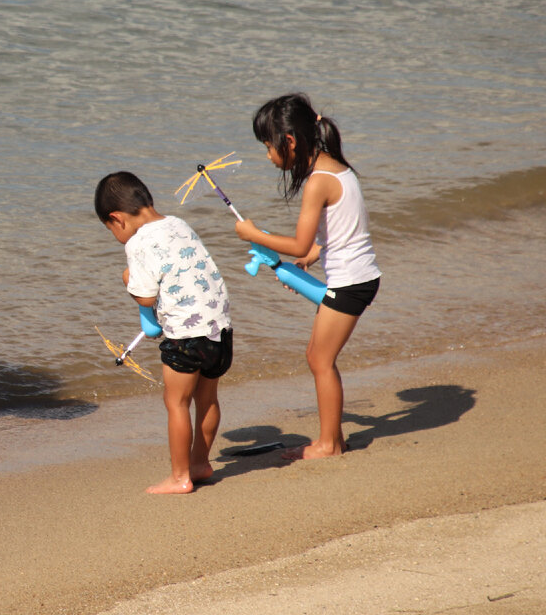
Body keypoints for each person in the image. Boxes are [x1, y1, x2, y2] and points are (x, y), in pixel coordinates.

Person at [234, 93, 381, 460]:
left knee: (320, 360)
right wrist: (314, 258)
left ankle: (329, 445)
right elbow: (338, 235)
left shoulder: (318, 181)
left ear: (290, 141)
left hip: (352, 281)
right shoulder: (338, 169)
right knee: (317, 355)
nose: (268, 155)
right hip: (356, 276)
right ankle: (334, 438)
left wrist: (254, 235)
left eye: (268, 146)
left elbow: (299, 244)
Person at [95, 171, 232, 494]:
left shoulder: (139, 241)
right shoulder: (179, 224)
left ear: (117, 219)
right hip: (219, 329)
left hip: (186, 335)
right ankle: (200, 462)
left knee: (177, 403)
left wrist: (127, 279)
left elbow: (145, 297)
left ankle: (180, 476)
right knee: (208, 399)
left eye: (110, 229)